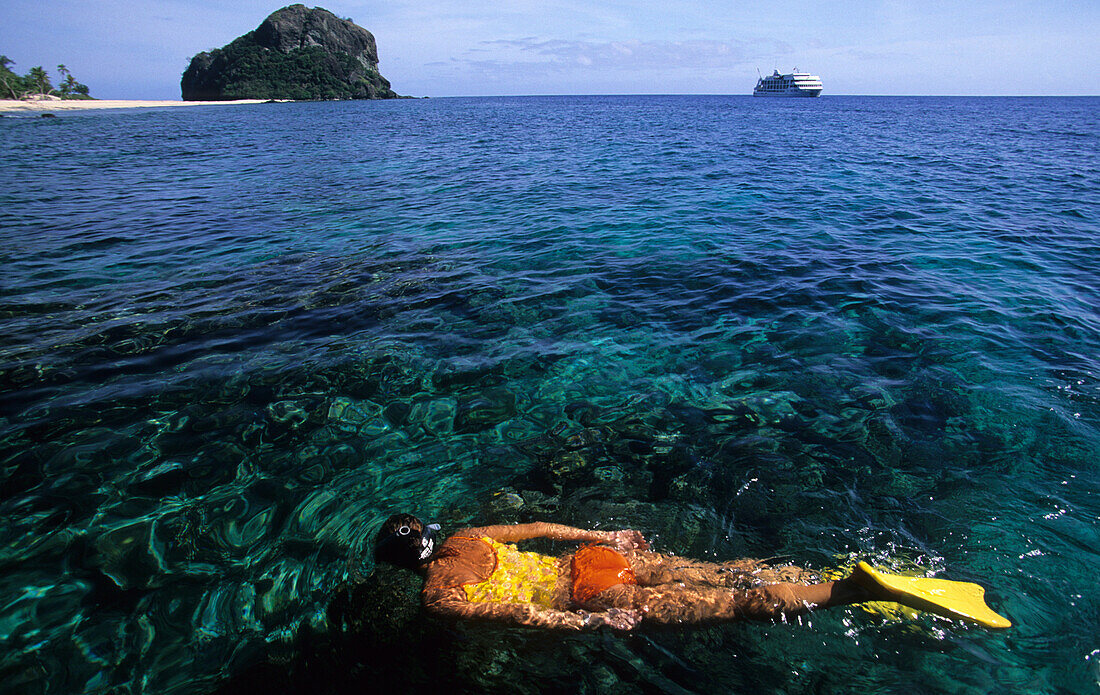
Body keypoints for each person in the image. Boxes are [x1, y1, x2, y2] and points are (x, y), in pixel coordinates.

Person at [372, 514, 1011, 631]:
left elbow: (516, 613)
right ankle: (831, 573)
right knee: (724, 573)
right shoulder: (467, 535)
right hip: (595, 560)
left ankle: (851, 591)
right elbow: (541, 527)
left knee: (733, 605)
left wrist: (587, 625)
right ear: (429, 535)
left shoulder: (436, 595)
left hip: (585, 590)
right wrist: (605, 534)